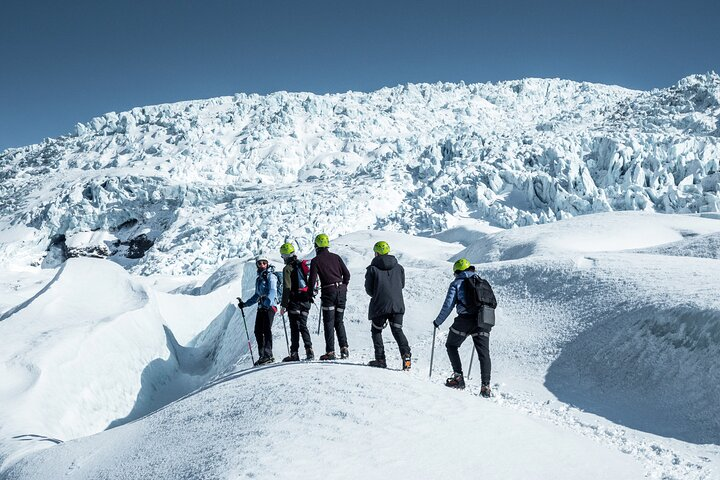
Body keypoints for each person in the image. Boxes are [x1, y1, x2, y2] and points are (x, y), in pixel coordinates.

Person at [433, 258, 492, 397]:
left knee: (451, 345)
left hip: (465, 321)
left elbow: (448, 305)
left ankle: (458, 378)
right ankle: (485, 387)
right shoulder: (482, 282)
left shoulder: (456, 283)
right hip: (483, 321)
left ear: (457, 272)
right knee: (484, 354)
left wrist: (438, 322)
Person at [364, 241, 411, 370]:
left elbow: (369, 290)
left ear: (376, 252)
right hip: (397, 305)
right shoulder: (399, 267)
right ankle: (406, 356)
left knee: (376, 330)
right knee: (397, 330)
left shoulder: (372, 269)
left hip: (379, 305)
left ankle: (380, 359)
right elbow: (401, 285)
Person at [308, 233, 351, 360]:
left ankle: (330, 352)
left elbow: (312, 281)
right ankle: (344, 348)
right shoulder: (336, 257)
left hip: (328, 292)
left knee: (329, 322)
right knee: (339, 321)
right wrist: (343, 287)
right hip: (341, 292)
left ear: (316, 246)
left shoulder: (316, 260)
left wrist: (310, 294)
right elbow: (347, 275)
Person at [238, 255, 278, 365]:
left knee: (266, 330)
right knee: (258, 331)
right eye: (260, 263)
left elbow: (273, 291)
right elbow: (257, 295)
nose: (262, 265)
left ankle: (268, 355)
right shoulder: (259, 279)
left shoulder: (271, 276)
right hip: (261, 307)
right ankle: (262, 356)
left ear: (267, 264)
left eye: (264, 263)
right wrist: (245, 304)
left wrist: (267, 302)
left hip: (269, 307)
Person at [279, 242, 314, 361]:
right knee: (303, 325)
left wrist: (284, 305)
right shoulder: (302, 265)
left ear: (285, 256)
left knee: (294, 326)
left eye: (282, 256)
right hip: (306, 299)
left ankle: (294, 353)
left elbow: (287, 287)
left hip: (294, 301)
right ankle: (309, 350)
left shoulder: (287, 269)